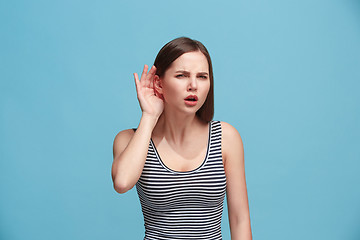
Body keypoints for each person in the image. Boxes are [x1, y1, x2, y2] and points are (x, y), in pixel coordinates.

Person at [111, 37, 252, 240]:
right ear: (158, 83)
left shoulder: (226, 137)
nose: (193, 85)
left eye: (202, 77)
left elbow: (240, 219)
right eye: (182, 75)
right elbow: (122, 183)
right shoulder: (129, 139)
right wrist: (149, 116)